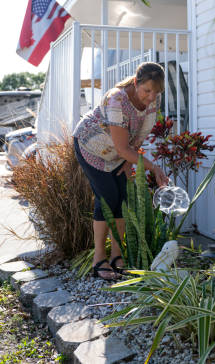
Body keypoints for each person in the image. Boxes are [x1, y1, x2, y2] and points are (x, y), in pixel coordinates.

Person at [73, 61, 168, 280]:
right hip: (91, 147)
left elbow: (136, 140)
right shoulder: (116, 99)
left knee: (123, 199)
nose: (152, 97)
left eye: (157, 92)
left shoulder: (153, 101)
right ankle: (99, 260)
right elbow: (123, 147)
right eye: (147, 90)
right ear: (136, 83)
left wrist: (129, 162)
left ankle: (117, 256)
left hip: (118, 153)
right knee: (107, 198)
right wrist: (152, 167)